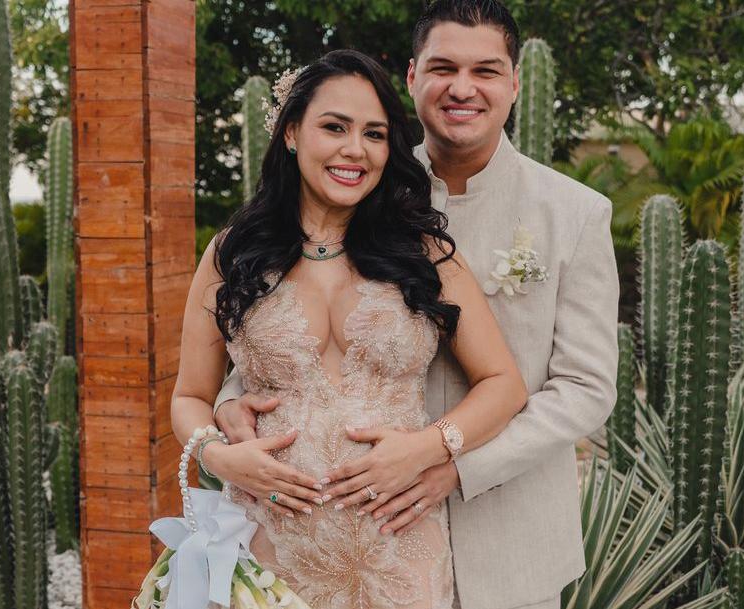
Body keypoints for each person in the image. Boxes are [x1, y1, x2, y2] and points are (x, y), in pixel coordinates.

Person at [212, 2, 620, 609]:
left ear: (515, 82)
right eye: (443, 68)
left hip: (507, 538)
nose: (463, 88)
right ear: (411, 77)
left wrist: (449, 461)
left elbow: (585, 387)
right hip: (348, 534)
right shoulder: (360, 182)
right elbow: (280, 316)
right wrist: (230, 404)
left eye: (485, 71)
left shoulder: (574, 213)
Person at [170, 48, 529, 609]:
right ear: (292, 133)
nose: (355, 149)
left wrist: (428, 447)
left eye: (374, 134)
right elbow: (190, 395)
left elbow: (504, 384)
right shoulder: (232, 254)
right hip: (270, 547)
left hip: (398, 551)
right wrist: (216, 455)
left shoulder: (423, 253)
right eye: (334, 127)